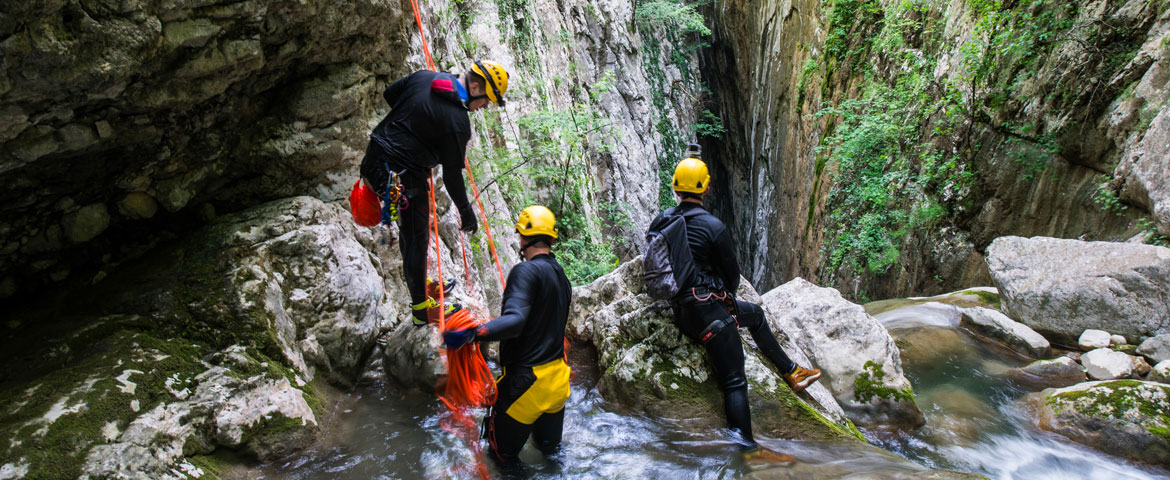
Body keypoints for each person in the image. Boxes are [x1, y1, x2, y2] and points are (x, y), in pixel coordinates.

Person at [651, 147, 822, 454]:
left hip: (682, 313)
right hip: (711, 316)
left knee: (754, 314)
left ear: (675, 187)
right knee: (734, 382)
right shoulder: (713, 227)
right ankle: (745, 451)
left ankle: (792, 371)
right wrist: (722, 295)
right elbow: (732, 278)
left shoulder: (660, 222)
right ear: (705, 187)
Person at [359, 60, 510, 326]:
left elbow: (390, 94)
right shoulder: (457, 122)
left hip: (375, 156)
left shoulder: (425, 76)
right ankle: (420, 310)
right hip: (403, 176)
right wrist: (465, 210)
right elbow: (452, 176)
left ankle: (418, 284)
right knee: (416, 236)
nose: (486, 106)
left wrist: (414, 126)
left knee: (411, 231)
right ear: (475, 87)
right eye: (487, 99)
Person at [443, 205, 573, 474]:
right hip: (558, 382)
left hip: (526, 384)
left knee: (504, 458)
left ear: (523, 237)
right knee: (551, 455)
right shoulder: (561, 275)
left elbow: (515, 322)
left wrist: (473, 334)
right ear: (550, 237)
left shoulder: (524, 272)